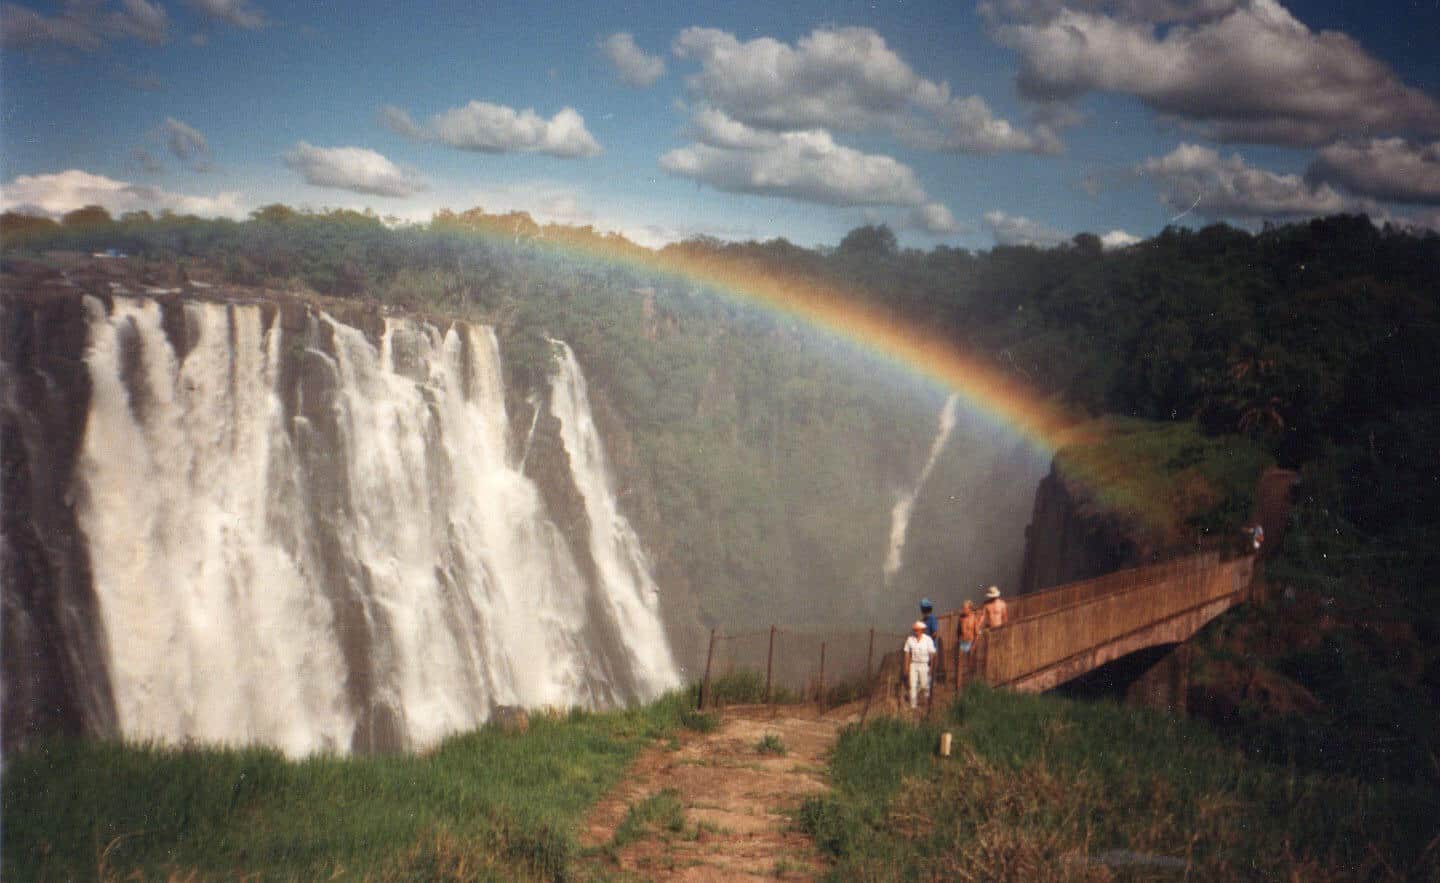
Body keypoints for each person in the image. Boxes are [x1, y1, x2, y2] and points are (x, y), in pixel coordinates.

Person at [903, 620, 936, 709]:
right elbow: (907, 653)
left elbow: (932, 654)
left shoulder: (928, 639)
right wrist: (906, 667)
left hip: (924, 664)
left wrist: (931, 667)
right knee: (912, 685)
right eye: (914, 630)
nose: (915, 631)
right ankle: (913, 705)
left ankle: (926, 701)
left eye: (917, 630)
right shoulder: (910, 639)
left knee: (924, 684)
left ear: (922, 630)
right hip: (913, 664)